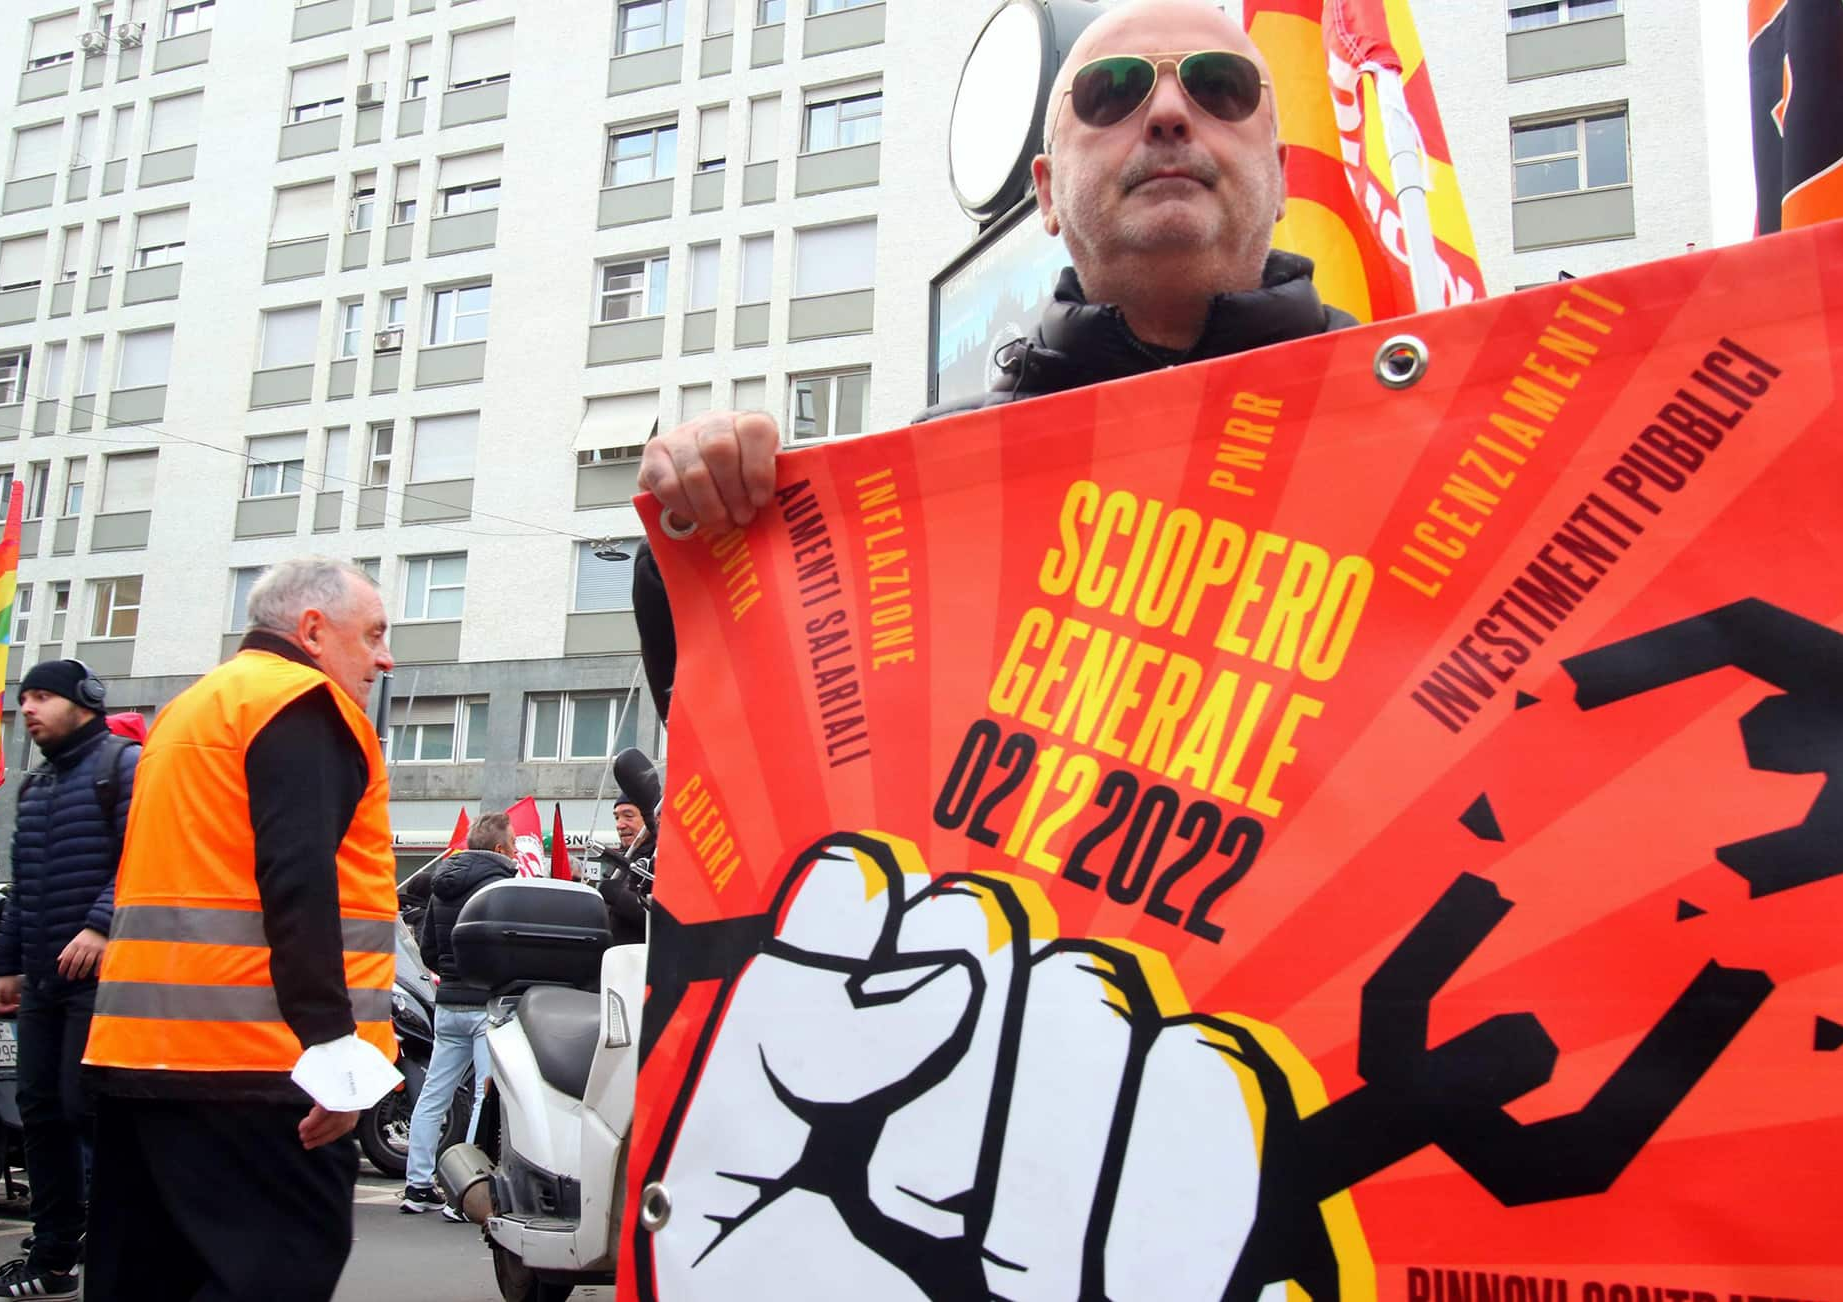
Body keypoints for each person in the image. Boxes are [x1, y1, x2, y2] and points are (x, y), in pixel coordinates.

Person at [632, 0, 1353, 715]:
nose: (1168, 112)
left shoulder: (1448, 445)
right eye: (1113, 94)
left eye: (1220, 87)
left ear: (1283, 178)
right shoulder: (913, 497)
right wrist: (707, 521)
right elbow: (767, 742)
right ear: (1046, 192)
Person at [78, 558, 399, 1301]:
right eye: (374, 634)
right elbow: (299, 882)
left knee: (146, 1280)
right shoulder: (301, 704)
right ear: (313, 630)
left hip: (144, 1058)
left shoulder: (193, 710)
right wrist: (332, 1054)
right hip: (258, 1067)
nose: (384, 658)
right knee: (280, 1271)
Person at [0, 660, 138, 1300]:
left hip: (108, 978)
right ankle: (53, 1257)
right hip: (42, 980)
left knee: (84, 1106)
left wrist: (100, 924)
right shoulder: (34, 789)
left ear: (85, 700)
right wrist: (6, 965)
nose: (28, 708)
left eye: (42, 697)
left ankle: (127, 1248)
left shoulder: (125, 766)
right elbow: (25, 890)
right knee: (38, 1114)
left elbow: (145, 856)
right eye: (24, 697)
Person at [400, 812, 517, 1218]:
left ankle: (417, 1185)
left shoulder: (441, 886)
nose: (518, 849)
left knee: (434, 1095)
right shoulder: (503, 886)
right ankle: (466, 1194)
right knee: (484, 1101)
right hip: (488, 1003)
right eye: (515, 843)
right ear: (500, 849)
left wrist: (450, 972)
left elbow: (428, 947)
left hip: (449, 1001)